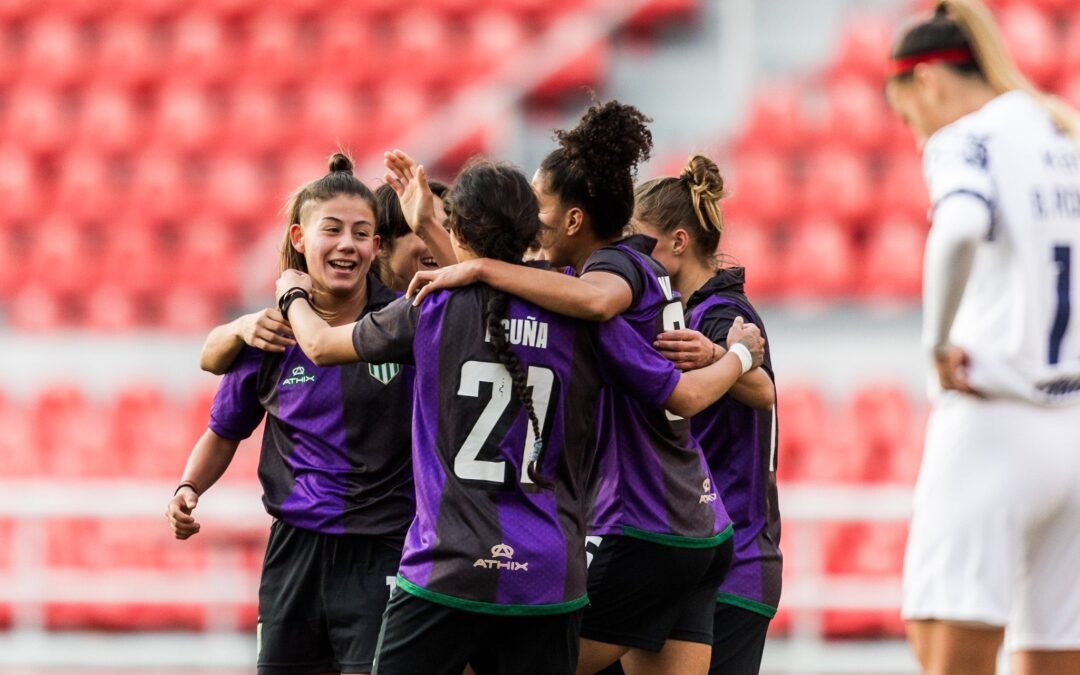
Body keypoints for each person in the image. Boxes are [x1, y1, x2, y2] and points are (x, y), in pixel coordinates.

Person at [274, 157, 765, 675]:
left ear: (459, 232)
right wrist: (738, 357)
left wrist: (291, 291)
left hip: (445, 568)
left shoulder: (432, 304)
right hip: (547, 577)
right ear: (531, 228)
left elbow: (320, 345)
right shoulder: (582, 319)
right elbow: (682, 396)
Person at [407, 101, 745, 675]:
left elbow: (580, 303)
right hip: (696, 525)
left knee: (491, 656)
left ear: (572, 220)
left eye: (539, 203)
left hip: (641, 522)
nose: (530, 221)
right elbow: (499, 303)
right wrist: (436, 234)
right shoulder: (634, 269)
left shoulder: (606, 277)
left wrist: (479, 266)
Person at [885, 2, 1080, 674]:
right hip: (1073, 426)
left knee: (942, 644)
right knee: (1054, 651)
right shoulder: (1065, 133)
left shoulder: (967, 138)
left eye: (909, 118)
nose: (917, 137)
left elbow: (961, 226)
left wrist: (936, 342)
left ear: (930, 82)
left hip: (994, 419)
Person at [165, 153, 415, 675]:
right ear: (300, 238)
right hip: (293, 554)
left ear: (375, 246)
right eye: (333, 230)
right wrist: (187, 488)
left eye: (361, 232)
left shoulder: (404, 324)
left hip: (384, 552)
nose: (347, 243)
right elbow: (225, 429)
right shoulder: (271, 333)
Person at [633, 155, 781, 675]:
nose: (631, 256)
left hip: (735, 559)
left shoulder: (721, 315)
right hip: (696, 555)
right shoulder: (682, 310)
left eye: (639, 240)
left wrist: (724, 356)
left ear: (678, 242)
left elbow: (763, 391)